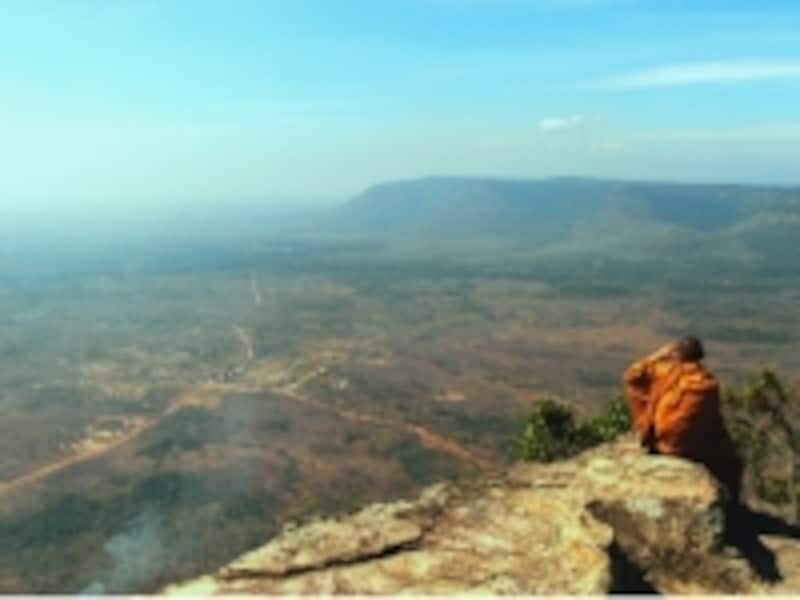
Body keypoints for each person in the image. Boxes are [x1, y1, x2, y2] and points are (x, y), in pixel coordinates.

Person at [623, 336, 743, 502]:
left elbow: (631, 376)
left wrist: (657, 356)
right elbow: (711, 421)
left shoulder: (663, 372)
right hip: (695, 449)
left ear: (676, 355)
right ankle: (734, 506)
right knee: (733, 464)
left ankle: (649, 429)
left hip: (661, 444)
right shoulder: (709, 383)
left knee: (642, 392)